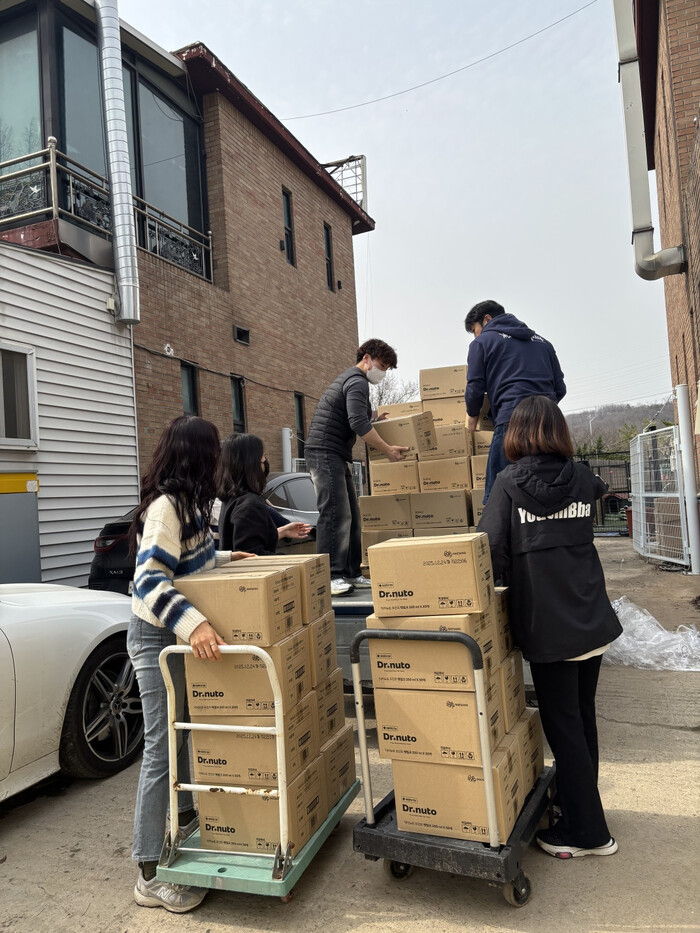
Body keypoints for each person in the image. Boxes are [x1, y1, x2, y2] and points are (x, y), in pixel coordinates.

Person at [477, 396, 622, 859]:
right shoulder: (582, 478)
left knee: (563, 727)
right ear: (559, 431)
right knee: (581, 719)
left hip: (548, 624)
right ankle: (579, 806)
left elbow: (488, 549)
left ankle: (588, 833)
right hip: (590, 617)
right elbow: (599, 494)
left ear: (517, 434)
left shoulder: (507, 483)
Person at [127, 415, 252, 912]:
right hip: (154, 635)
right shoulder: (166, 508)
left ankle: (183, 821)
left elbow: (190, 563)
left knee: (180, 733)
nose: (219, 460)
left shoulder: (194, 505)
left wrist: (227, 558)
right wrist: (195, 625)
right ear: (197, 456)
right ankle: (147, 870)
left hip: (172, 634)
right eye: (213, 451)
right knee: (161, 746)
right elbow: (150, 581)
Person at [304, 338, 408, 597]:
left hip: (335, 453)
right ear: (366, 359)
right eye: (381, 366)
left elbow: (355, 414)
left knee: (351, 514)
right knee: (335, 513)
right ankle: (330, 576)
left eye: (387, 369)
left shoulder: (354, 381)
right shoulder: (356, 381)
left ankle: (351, 572)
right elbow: (358, 423)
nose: (382, 372)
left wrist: (375, 417)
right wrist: (387, 450)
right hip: (324, 451)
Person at [464, 299, 566, 503]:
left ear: (487, 319)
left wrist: (472, 418)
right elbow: (560, 389)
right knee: (552, 492)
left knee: (499, 495)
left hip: (512, 421)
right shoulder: (544, 343)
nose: (476, 336)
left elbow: (475, 386)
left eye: (475, 330)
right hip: (550, 424)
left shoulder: (482, 343)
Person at [216, 432, 311, 553]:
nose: (265, 460)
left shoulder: (232, 500)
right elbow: (251, 555)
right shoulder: (250, 505)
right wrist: (295, 561)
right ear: (252, 464)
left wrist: (283, 531)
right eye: (262, 456)